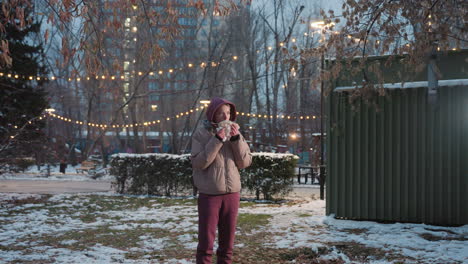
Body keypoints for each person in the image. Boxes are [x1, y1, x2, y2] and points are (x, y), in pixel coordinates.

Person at [191, 97, 252, 264]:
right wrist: (217, 139)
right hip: (209, 195)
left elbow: (245, 162)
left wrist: (235, 140)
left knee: (227, 244)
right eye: (221, 114)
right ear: (212, 115)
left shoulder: (237, 133)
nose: (226, 118)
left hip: (232, 194)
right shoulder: (201, 134)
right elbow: (198, 163)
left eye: (228, 113)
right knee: (206, 242)